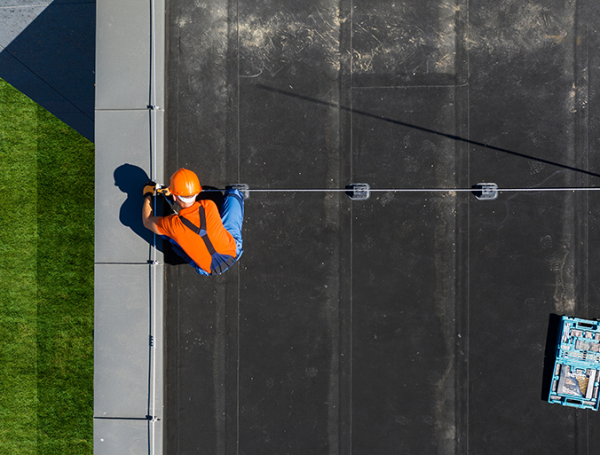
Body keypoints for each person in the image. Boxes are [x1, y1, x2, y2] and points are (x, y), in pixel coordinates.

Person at [142, 168, 244, 276]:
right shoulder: (209, 205)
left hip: (209, 269)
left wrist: (147, 195)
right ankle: (235, 193)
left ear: (174, 197)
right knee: (233, 197)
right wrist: (174, 194)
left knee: (169, 234)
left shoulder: (172, 225)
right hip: (233, 252)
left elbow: (147, 221)